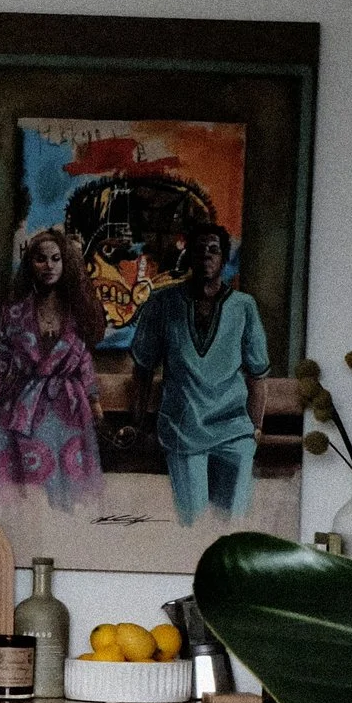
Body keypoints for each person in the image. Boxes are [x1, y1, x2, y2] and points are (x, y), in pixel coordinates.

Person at [128, 222, 271, 524]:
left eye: (214, 250)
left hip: (235, 431)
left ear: (223, 259)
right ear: (189, 257)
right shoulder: (163, 303)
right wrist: (139, 424)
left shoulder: (244, 307)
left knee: (232, 526)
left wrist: (255, 429)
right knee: (193, 524)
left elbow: (258, 375)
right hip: (183, 429)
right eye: (199, 249)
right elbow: (142, 369)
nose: (206, 256)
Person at [0, 224, 107, 512]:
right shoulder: (14, 312)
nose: (48, 266)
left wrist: (95, 401)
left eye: (56, 259)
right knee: (29, 492)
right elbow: (1, 362)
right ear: (30, 264)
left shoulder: (78, 312)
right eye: (41, 259)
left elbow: (85, 361)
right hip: (24, 407)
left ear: (65, 263)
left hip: (69, 409)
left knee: (69, 491)